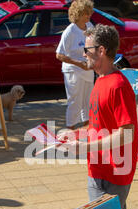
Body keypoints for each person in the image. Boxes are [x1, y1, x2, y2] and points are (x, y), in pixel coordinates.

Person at [59, 24, 138, 209]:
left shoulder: (118, 86)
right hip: (98, 168)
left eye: (87, 49)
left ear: (101, 51)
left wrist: (84, 147)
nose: (83, 54)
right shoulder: (101, 80)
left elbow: (126, 133)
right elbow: (98, 126)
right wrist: (75, 134)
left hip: (113, 172)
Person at [56, 0, 95, 129]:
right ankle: (70, 129)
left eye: (89, 13)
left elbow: (94, 45)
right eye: (86, 13)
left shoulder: (90, 26)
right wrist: (78, 63)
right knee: (75, 101)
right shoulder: (70, 31)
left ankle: (88, 128)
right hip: (73, 70)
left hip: (87, 69)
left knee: (88, 100)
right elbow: (59, 54)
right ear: (78, 14)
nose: (89, 16)